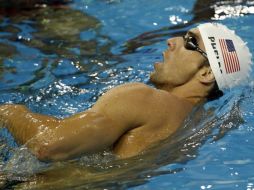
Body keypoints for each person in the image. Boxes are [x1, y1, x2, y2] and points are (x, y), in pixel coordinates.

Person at [0, 23, 252, 162]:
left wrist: (9, 112)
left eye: (189, 41)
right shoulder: (201, 127)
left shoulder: (144, 99)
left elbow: (48, 145)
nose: (171, 41)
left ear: (207, 74)